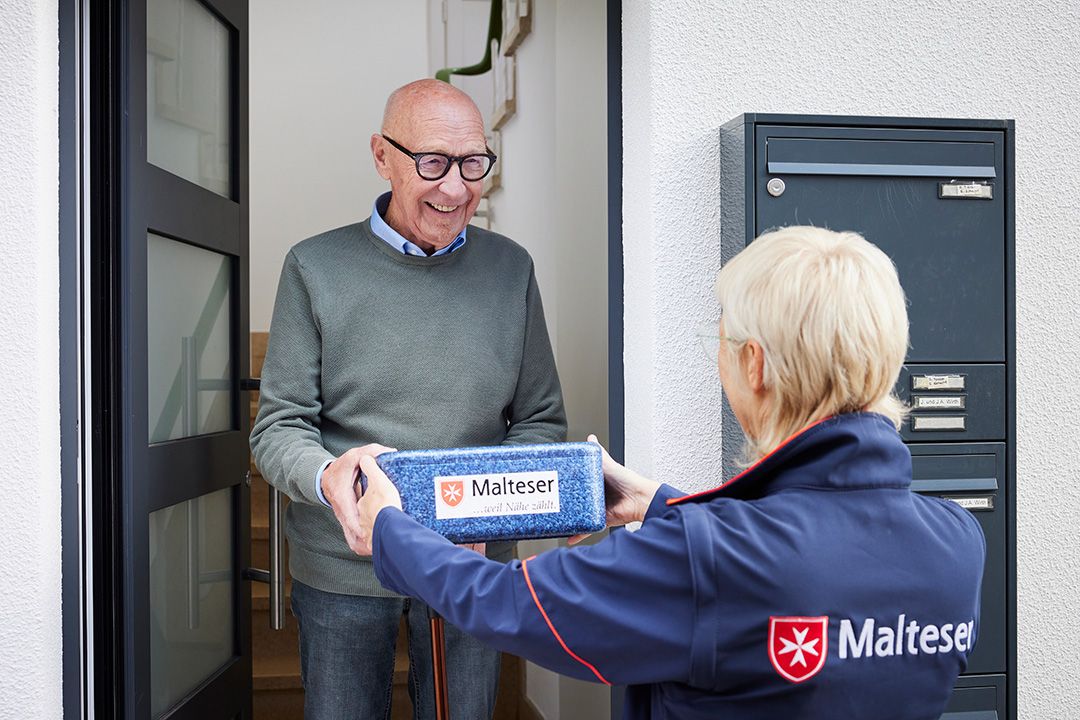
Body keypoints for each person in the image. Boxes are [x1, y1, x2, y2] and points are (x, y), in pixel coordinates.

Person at [352, 226, 987, 719]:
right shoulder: (956, 542)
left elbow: (510, 603)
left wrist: (388, 528)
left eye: (721, 336)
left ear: (754, 365)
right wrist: (657, 503)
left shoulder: (706, 559)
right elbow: (799, 571)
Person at [250, 78, 566, 720]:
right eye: (432, 163)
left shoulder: (512, 269)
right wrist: (328, 476)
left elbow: (540, 421)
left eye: (473, 163)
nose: (456, 188)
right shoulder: (314, 267)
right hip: (343, 563)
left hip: (470, 565)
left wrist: (482, 512)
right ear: (381, 155)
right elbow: (277, 428)